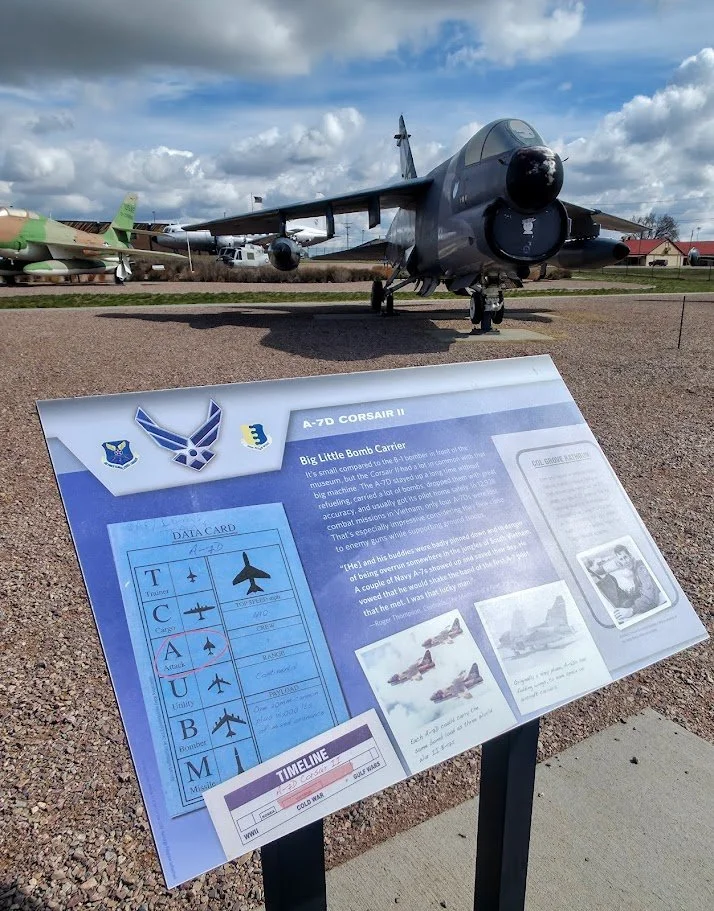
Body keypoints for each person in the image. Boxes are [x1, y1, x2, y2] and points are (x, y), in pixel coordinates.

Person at [611, 544, 662, 620]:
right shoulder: (635, 570)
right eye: (621, 559)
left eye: (625, 557)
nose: (625, 561)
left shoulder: (641, 568)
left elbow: (649, 597)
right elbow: (640, 590)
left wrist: (631, 610)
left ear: (630, 556)